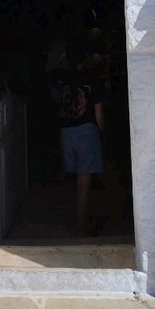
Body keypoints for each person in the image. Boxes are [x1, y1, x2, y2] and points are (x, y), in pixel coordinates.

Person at [49, 40, 105, 236]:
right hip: (86, 133)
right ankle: (81, 227)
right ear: (86, 58)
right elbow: (99, 116)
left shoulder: (59, 79)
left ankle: (72, 220)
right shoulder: (91, 79)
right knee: (84, 181)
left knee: (70, 178)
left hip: (66, 132)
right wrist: (103, 134)